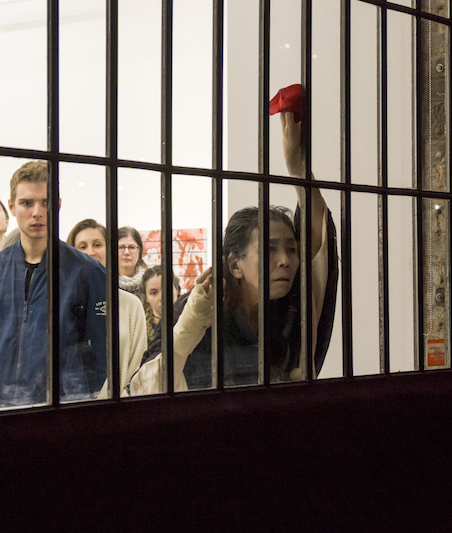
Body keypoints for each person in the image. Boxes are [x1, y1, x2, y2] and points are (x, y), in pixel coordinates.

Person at [129, 112, 339, 393]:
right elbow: (146, 389)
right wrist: (192, 323)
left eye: (291, 249)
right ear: (235, 264)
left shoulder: (289, 306)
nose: (285, 261)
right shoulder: (200, 307)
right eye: (269, 249)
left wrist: (298, 168)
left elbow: (319, 248)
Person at [0, 161, 107, 407]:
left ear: (58, 205)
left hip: (63, 407)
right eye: (27, 203)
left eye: (46, 203)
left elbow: (101, 353)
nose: (37, 212)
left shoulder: (88, 272)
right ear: (12, 207)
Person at [66, 218, 147, 396]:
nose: (91, 252)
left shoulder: (131, 305)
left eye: (97, 245)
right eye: (82, 246)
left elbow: (138, 369)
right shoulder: (59, 305)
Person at [140, 265, 182, 342]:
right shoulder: (140, 330)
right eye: (154, 293)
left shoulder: (192, 321)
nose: (161, 298)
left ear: (177, 290)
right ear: (146, 298)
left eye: (167, 289)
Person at [117, 226, 148, 299]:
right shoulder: (104, 280)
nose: (126, 252)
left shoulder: (149, 281)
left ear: (139, 251)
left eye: (131, 247)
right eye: (121, 247)